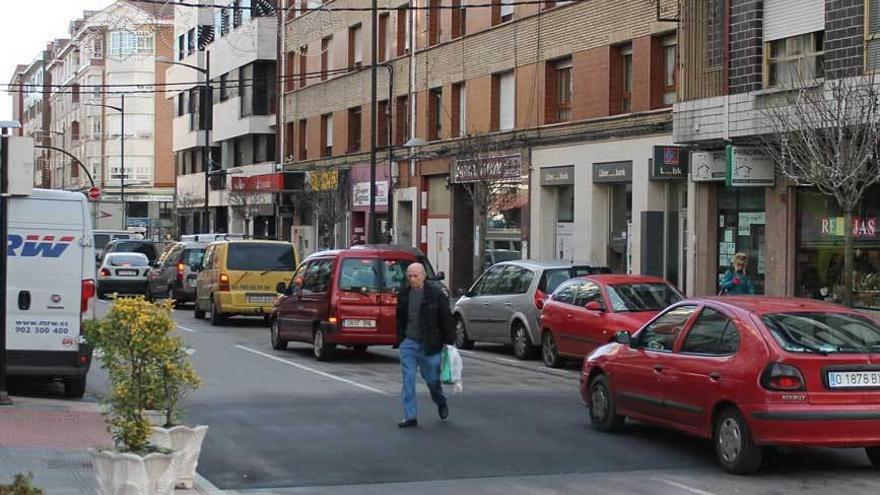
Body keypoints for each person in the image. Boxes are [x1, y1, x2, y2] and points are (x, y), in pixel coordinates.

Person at [394, 262, 454, 428]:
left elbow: (446, 318)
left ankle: (441, 400)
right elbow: (400, 318)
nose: (412, 279)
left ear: (424, 276)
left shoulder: (435, 295)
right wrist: (401, 340)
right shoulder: (404, 295)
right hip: (409, 343)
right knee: (408, 379)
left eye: (416, 276)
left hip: (430, 344)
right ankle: (410, 416)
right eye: (410, 276)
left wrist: (450, 343)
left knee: (432, 380)